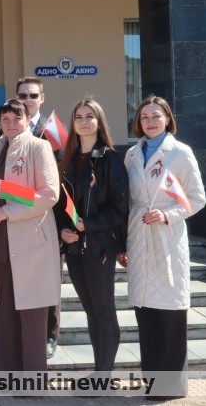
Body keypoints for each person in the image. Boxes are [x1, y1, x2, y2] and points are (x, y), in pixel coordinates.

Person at [122, 96, 205, 394]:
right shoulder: (132, 154)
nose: (150, 121)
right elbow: (127, 199)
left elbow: (197, 198)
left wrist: (167, 215)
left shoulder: (180, 153)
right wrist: (122, 242)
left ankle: (171, 387)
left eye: (156, 115)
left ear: (168, 119)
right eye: (144, 116)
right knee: (146, 313)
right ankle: (152, 383)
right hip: (139, 236)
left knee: (170, 313)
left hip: (167, 238)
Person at [0, 98, 61, 372]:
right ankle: (7, 376)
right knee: (6, 313)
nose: (11, 124)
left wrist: (8, 211)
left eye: (16, 118)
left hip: (32, 243)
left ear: (27, 120)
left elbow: (50, 194)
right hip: (1, 240)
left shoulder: (38, 146)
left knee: (32, 315)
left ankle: (32, 382)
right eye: (5, 119)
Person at [52, 98, 128, 371]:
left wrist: (90, 225)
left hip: (100, 247)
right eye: (78, 117)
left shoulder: (110, 158)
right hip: (74, 248)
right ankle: (99, 371)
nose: (84, 121)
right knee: (91, 312)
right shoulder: (66, 159)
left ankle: (103, 376)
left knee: (104, 312)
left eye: (89, 116)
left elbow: (120, 207)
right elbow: (60, 203)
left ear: (99, 121)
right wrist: (62, 230)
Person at [13, 76, 63, 357]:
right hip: (18, 218)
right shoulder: (8, 127)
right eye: (23, 96)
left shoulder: (52, 131)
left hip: (46, 216)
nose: (28, 100)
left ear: (42, 98)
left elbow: (63, 177)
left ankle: (49, 335)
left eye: (33, 95)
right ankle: (26, 332)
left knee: (48, 279)